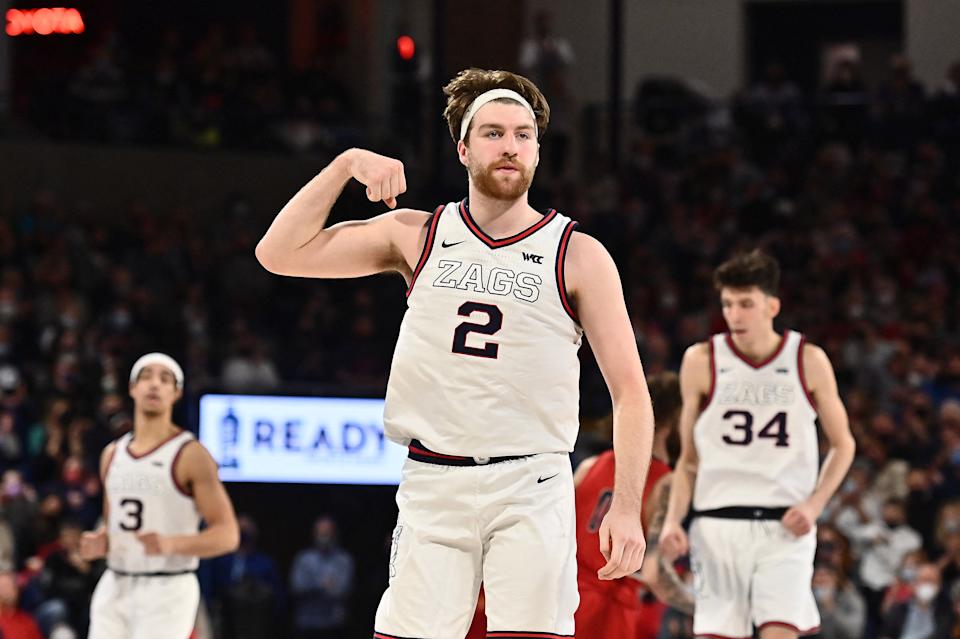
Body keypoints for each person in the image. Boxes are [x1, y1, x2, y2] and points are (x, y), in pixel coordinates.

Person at [255, 68, 654, 638]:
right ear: (463, 148)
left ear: (539, 151)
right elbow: (277, 252)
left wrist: (627, 505)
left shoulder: (578, 253)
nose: (509, 146)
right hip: (433, 478)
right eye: (492, 133)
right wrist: (345, 164)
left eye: (522, 134)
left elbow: (631, 394)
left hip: (531, 482)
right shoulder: (416, 233)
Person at [660, 250, 857, 639]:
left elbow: (844, 444)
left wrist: (815, 504)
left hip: (785, 526)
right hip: (716, 523)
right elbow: (689, 461)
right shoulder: (701, 360)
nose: (735, 315)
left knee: (780, 631)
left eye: (746, 304)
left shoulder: (808, 360)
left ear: (772, 306)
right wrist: (671, 520)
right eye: (728, 304)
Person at [80, 352, 240, 639]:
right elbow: (115, 523)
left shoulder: (191, 455)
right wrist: (102, 542)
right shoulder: (112, 454)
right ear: (132, 388)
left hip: (167, 587)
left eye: (165, 379)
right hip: (116, 581)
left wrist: (172, 543)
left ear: (176, 393)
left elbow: (228, 535)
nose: (154, 384)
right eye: (146, 377)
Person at [572, 371, 694, 639]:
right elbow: (654, 574)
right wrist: (702, 607)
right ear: (671, 422)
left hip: (564, 600)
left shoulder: (590, 465)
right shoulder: (666, 482)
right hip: (607, 613)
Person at [289, 515, 354, 639]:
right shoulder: (303, 559)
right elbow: (297, 587)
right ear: (314, 534)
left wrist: (314, 587)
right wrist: (322, 586)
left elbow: (344, 590)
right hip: (307, 624)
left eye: (327, 533)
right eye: (321, 533)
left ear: (335, 534)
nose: (324, 537)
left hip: (334, 625)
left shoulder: (344, 560)